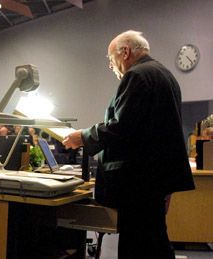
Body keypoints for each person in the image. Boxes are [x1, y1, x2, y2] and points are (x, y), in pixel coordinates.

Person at [62, 30, 195, 259]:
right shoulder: (165, 75)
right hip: (155, 179)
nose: (111, 66)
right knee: (154, 241)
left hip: (139, 182)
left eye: (111, 59)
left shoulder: (137, 75)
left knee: (138, 245)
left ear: (125, 52)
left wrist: (82, 136)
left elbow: (120, 127)